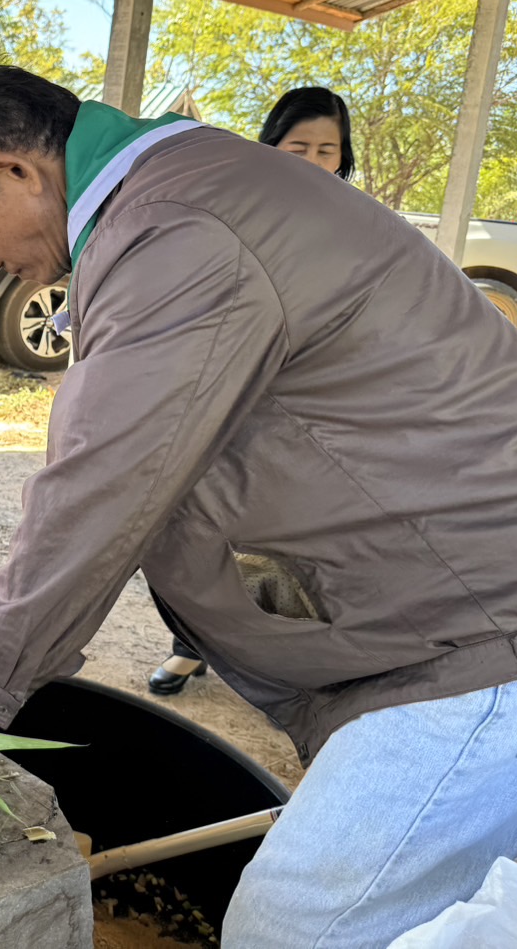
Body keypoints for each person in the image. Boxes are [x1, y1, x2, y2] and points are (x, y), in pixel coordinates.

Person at [0, 50, 517, 946]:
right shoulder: (173, 192)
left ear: (13, 167)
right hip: (444, 622)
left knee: (287, 929)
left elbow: (107, 476)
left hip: (483, 642)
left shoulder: (177, 227)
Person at [148, 84, 358, 695]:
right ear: (270, 146)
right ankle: (191, 647)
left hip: (309, 401)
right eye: (300, 146)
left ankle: (284, 663)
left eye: (328, 150)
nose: (314, 162)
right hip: (229, 392)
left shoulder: (354, 221)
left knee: (296, 537)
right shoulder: (234, 204)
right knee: (207, 524)